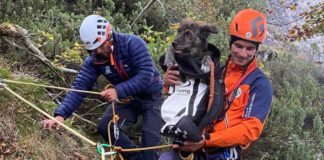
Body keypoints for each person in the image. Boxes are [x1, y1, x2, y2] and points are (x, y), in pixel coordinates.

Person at [41, 15, 164, 160]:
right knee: (106, 127)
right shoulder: (95, 59)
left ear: (109, 36)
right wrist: (60, 115)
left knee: (150, 146)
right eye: (93, 49)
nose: (98, 51)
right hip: (127, 99)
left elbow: (146, 75)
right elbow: (80, 86)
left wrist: (118, 91)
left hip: (152, 97)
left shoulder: (132, 43)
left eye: (100, 46)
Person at [159, 9, 273, 160]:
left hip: (224, 151)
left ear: (256, 49)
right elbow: (187, 95)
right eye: (238, 46)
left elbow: (250, 129)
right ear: (231, 43)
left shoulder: (259, 83)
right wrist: (168, 83)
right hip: (195, 141)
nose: (243, 53)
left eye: (250, 48)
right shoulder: (217, 70)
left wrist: (206, 141)